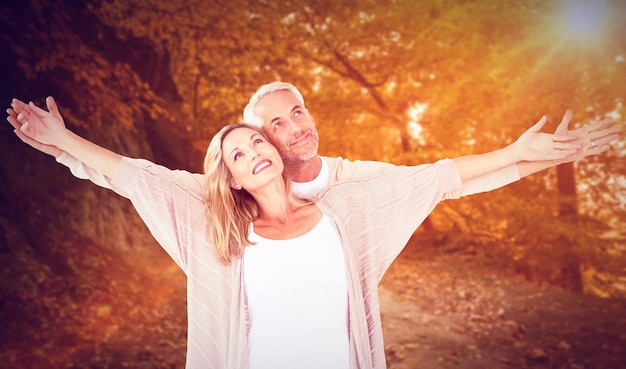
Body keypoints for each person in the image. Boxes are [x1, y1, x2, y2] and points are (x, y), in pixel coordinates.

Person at [6, 97, 619, 369]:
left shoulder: (345, 211)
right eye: (238, 157)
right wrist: (60, 139)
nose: (253, 154)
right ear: (234, 181)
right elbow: (133, 175)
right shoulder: (218, 229)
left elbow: (440, 175)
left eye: (255, 143)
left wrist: (519, 150)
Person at [242, 81, 618, 198]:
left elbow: (443, 182)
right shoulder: (248, 196)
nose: (296, 127)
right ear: (263, 142)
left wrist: (545, 155)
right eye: (277, 124)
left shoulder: (354, 177)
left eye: (297, 112)